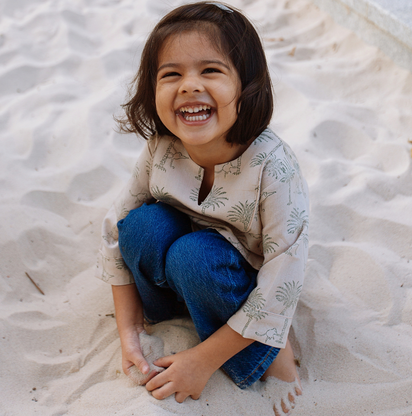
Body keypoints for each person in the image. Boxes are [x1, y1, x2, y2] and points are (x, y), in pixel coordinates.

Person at [95, 2, 309, 415]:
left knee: (195, 256)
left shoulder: (273, 165)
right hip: (176, 272)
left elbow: (286, 270)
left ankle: (264, 354)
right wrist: (129, 333)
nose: (189, 85)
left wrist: (201, 361)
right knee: (139, 225)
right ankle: (169, 315)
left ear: (247, 87)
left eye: (210, 70)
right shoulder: (161, 148)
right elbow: (113, 234)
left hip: (232, 280)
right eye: (171, 74)